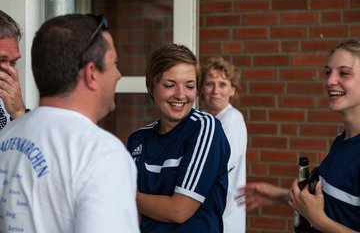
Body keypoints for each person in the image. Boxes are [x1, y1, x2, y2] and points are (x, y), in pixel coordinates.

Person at [0, 14, 140, 233]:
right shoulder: (101, 153)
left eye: (13, 63)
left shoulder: (6, 136)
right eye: (114, 64)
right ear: (91, 73)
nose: (119, 75)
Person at [239, 39, 360, 233]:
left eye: (344, 73)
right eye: (328, 72)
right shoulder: (342, 140)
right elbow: (325, 201)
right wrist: (277, 195)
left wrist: (319, 220)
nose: (330, 81)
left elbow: (317, 214)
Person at [127, 43, 230, 232]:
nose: (181, 95)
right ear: (151, 87)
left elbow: (179, 210)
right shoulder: (138, 140)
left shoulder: (205, 128)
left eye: (189, 86)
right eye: (169, 85)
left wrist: (126, 195)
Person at [199, 57, 247, 233]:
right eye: (210, 84)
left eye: (222, 84)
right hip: (203, 216)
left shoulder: (232, 119)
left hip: (225, 218)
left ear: (232, 90)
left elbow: (216, 166)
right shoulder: (201, 118)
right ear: (202, 89)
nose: (215, 91)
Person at [0, 10, 28, 130]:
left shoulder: (8, 102)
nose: (9, 71)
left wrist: (18, 113)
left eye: (13, 63)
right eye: (1, 60)